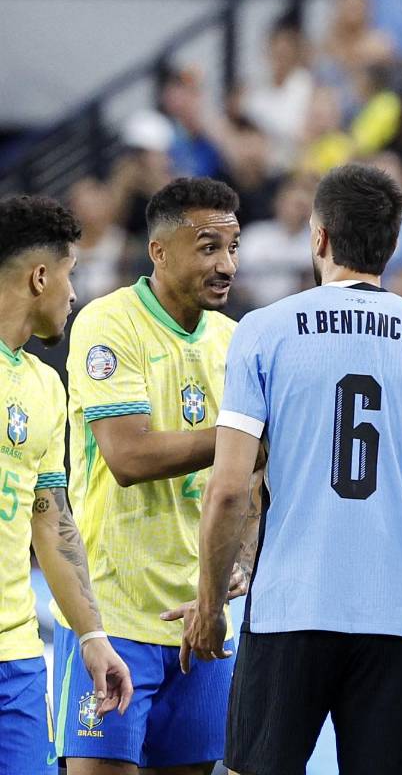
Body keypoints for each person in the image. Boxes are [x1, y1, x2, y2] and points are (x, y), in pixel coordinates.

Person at [177, 163, 402, 773]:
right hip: (394, 619)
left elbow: (229, 490)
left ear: (318, 237)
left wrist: (210, 605)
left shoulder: (263, 331)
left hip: (288, 610)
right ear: (392, 246)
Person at [52, 178, 250, 774]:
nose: (226, 265)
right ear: (159, 251)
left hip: (201, 617)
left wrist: (241, 557)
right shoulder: (109, 324)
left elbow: (255, 480)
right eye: (208, 247)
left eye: (232, 248)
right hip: (111, 617)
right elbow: (128, 457)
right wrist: (242, 440)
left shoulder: (235, 342)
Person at [0, 196, 133, 774]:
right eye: (70, 274)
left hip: (18, 658)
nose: (74, 294)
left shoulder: (45, 386)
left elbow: (52, 523)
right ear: (40, 277)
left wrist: (91, 635)